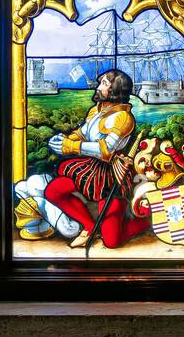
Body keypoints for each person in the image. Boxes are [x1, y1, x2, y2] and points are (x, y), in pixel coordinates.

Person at [14, 70, 151, 249]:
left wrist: (71, 147)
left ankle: (149, 222)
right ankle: (89, 226)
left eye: (103, 84)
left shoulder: (123, 118)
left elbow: (106, 150)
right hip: (90, 167)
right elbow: (83, 132)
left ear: (114, 90)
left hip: (111, 174)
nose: (98, 87)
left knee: (112, 241)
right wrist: (65, 140)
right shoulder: (97, 111)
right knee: (53, 191)